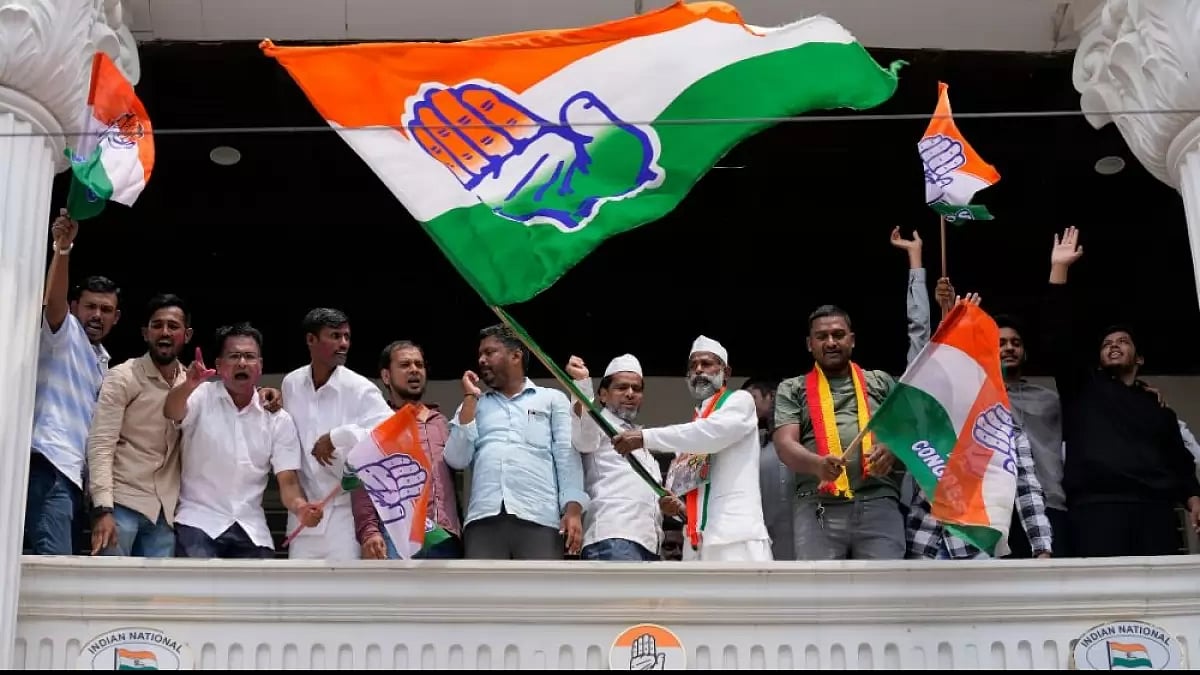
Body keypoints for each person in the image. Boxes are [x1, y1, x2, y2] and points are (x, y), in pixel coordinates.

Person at [1044, 227, 1200, 556]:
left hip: (1156, 511)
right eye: (1107, 345)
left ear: (1139, 358)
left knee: (1160, 598)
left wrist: (1193, 498)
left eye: (1123, 343)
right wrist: (1060, 270)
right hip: (1096, 510)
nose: (1114, 348)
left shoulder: (1160, 410)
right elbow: (1059, 338)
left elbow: (1180, 461)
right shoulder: (1082, 388)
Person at [613, 336, 771, 562]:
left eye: (706, 364)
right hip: (696, 544)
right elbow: (688, 489)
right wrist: (677, 508)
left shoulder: (739, 402)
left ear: (726, 372)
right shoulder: (692, 430)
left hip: (735, 539)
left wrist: (645, 437)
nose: (698, 370)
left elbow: (711, 434)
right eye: (693, 366)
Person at [445, 324, 588, 559]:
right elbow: (456, 459)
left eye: (489, 352)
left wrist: (573, 511)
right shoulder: (473, 405)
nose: (481, 360)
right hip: (484, 519)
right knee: (486, 595)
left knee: (539, 594)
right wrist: (470, 397)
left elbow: (566, 458)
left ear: (515, 355)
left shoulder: (551, 399)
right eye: (480, 354)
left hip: (539, 517)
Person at [26, 210, 120, 555]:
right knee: (53, 563)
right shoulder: (64, 335)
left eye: (106, 309)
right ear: (75, 307)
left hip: (70, 477)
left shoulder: (104, 363)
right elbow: (53, 300)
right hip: (48, 464)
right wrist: (62, 250)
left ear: (116, 316)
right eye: (90, 307)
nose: (97, 315)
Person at [567, 353, 663, 562]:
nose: (630, 394)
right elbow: (584, 435)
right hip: (614, 538)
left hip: (648, 543)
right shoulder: (599, 426)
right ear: (602, 394)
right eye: (621, 387)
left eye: (636, 389)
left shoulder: (641, 443)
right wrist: (582, 384)